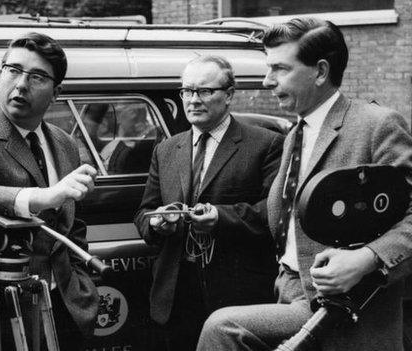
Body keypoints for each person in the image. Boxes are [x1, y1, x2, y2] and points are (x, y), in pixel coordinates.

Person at [198, 17, 412, 351]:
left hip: (345, 313)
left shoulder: (376, 125)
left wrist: (368, 258)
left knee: (222, 329)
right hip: (289, 293)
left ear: (321, 71)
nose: (268, 81)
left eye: (280, 69)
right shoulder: (294, 135)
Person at [0, 32, 99, 350]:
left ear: (56, 92)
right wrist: (42, 196)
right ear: (0, 74)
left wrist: (81, 283)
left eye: (37, 76)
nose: (21, 84)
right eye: (13, 70)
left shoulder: (65, 143)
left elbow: (70, 225)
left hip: (65, 305)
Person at [134, 55, 283, 351]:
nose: (193, 100)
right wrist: (156, 222)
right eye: (187, 91)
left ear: (229, 95)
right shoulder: (166, 149)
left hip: (236, 295)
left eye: (204, 91)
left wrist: (220, 217)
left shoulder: (266, 144)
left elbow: (275, 212)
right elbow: (143, 212)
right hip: (174, 294)